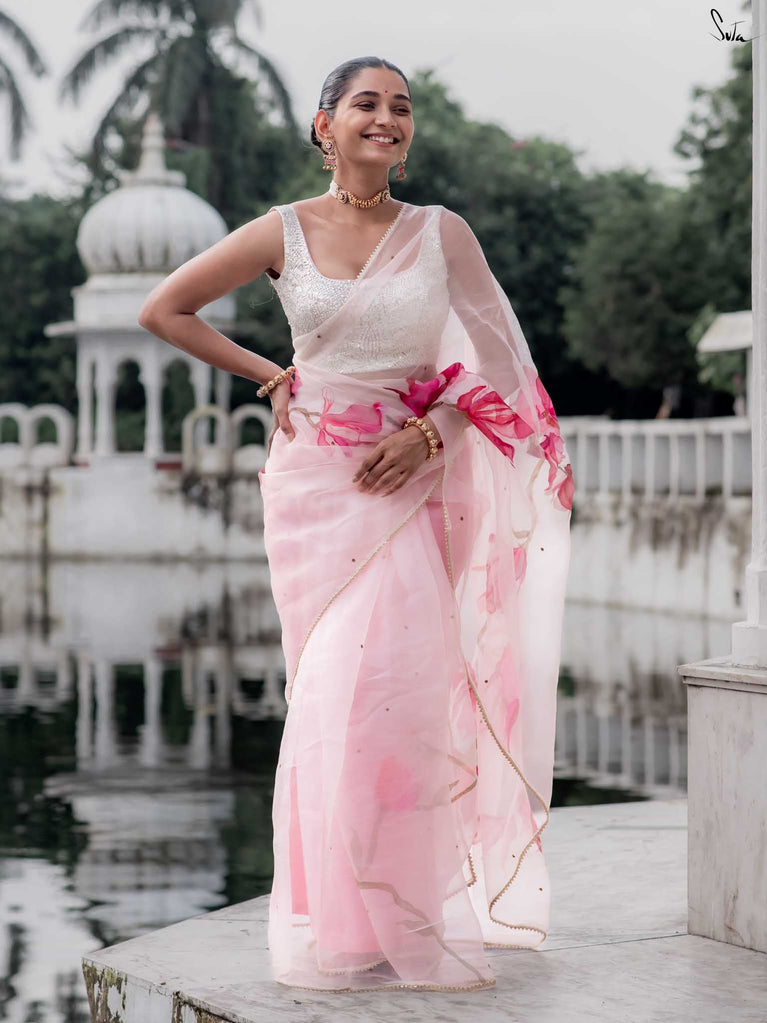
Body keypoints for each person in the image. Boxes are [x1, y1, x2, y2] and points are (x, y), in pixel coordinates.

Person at [138, 55, 573, 994]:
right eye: (366, 104)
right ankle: (339, 925)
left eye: (400, 108)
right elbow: (165, 309)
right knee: (330, 697)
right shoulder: (282, 231)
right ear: (324, 125)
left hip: (409, 484)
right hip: (312, 490)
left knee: (399, 699)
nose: (386, 118)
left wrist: (432, 431)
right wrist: (267, 373)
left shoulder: (439, 233)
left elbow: (501, 367)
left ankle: (407, 919)